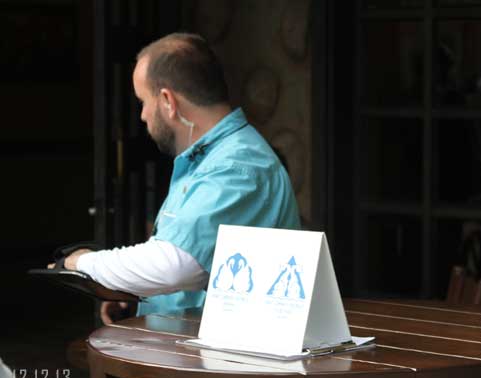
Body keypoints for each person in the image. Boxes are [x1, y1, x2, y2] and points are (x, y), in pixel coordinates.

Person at [57, 32, 301, 322]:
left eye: (142, 101)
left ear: (167, 101)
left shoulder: (236, 166)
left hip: (221, 363)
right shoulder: (214, 158)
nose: (143, 116)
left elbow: (176, 264)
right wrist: (140, 299)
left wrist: (83, 263)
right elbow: (199, 266)